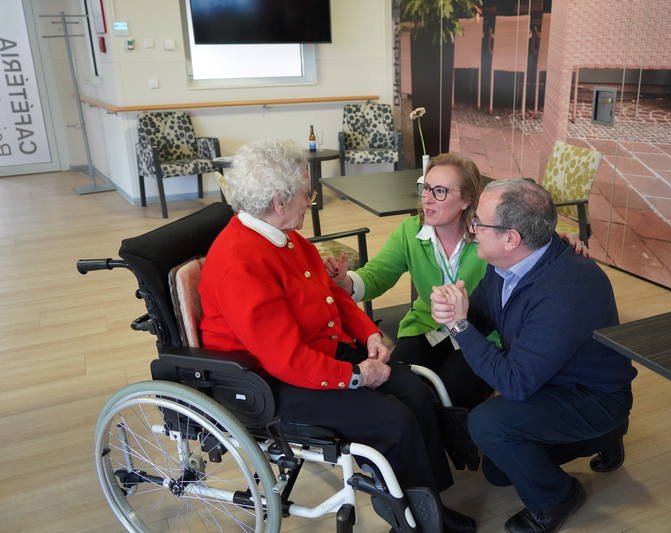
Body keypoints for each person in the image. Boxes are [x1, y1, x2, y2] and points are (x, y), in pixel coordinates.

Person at [198, 139, 475, 532]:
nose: (310, 202)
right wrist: (356, 376)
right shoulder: (241, 262)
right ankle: (412, 521)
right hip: (270, 381)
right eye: (306, 194)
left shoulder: (286, 238)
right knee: (392, 420)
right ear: (278, 201)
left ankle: (430, 504)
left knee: (413, 389)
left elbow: (332, 296)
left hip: (317, 354)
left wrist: (369, 334)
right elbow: (285, 360)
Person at [430, 179, 637, 533]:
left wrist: (460, 326)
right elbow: (482, 312)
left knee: (487, 425)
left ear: (511, 238)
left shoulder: (567, 289)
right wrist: (454, 309)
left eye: (478, 222)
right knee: (497, 471)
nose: (472, 229)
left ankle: (558, 497)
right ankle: (602, 437)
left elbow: (514, 382)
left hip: (592, 396)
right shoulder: (509, 262)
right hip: (549, 378)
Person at [327, 153, 589, 409]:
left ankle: (452, 433)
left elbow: (525, 237)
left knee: (451, 395)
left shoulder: (490, 235)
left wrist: (559, 241)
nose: (427, 199)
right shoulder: (410, 231)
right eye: (425, 188)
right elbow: (376, 275)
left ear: (466, 200)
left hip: (481, 331)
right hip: (425, 325)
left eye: (440, 191)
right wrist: (345, 282)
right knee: (400, 388)